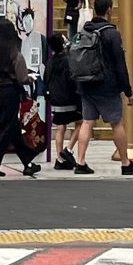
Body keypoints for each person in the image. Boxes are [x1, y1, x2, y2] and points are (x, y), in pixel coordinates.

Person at [72, 0, 133, 176]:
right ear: (109, 10)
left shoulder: (85, 30)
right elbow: (120, 66)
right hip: (107, 87)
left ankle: (80, 162)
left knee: (87, 122)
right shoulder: (112, 34)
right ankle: (126, 163)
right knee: (116, 124)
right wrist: (128, 91)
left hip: (86, 84)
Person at [0, 20, 39, 177]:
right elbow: (22, 78)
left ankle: (28, 162)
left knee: (11, 127)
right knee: (7, 129)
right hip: (11, 93)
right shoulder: (16, 55)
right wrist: (31, 78)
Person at [44, 33, 79, 170]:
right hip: (68, 98)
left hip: (55, 99)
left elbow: (46, 79)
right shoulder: (67, 60)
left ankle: (59, 158)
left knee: (60, 127)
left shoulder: (50, 62)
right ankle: (68, 149)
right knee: (82, 123)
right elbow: (72, 80)